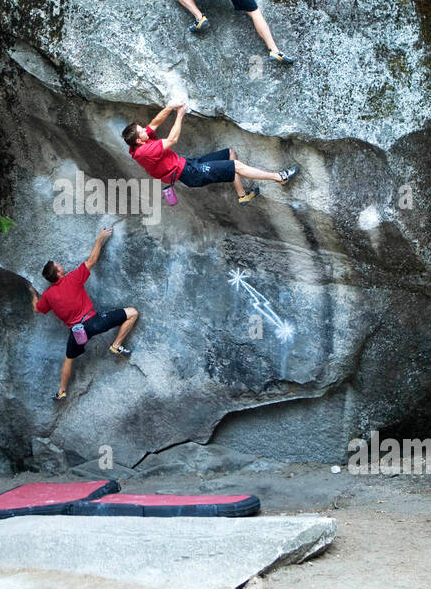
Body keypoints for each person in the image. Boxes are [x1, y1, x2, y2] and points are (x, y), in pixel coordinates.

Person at [31, 227, 138, 403]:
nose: (60, 265)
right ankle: (116, 345)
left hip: (77, 333)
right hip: (94, 322)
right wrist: (100, 238)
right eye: (58, 265)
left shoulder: (48, 296)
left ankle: (62, 392)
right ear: (58, 273)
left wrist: (34, 295)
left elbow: (37, 309)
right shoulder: (73, 278)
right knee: (132, 313)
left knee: (68, 359)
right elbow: (92, 260)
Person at [121, 102, 298, 204]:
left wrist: (169, 107)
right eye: (141, 131)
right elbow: (173, 139)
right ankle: (279, 177)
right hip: (190, 173)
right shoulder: (144, 151)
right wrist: (180, 114)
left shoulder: (136, 144)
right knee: (234, 165)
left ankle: (242, 196)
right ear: (139, 140)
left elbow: (154, 124)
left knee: (230, 154)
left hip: (189, 164)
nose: (145, 130)